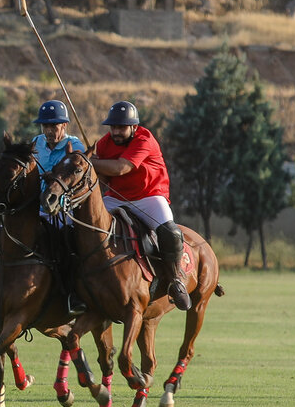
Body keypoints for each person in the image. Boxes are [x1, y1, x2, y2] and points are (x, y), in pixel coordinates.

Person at [90, 100, 191, 311]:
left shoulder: (145, 139)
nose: (116, 131)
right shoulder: (103, 144)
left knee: (170, 232)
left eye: (122, 127)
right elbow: (106, 180)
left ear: (134, 127)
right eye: (113, 127)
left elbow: (121, 168)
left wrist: (89, 162)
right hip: (117, 197)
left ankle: (174, 280)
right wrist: (95, 169)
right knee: (89, 226)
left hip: (149, 197)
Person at [30, 99, 86, 314]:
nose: (49, 131)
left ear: (64, 126)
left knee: (69, 246)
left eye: (54, 126)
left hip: (64, 207)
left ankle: (74, 293)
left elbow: (79, 176)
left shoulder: (76, 146)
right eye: (45, 126)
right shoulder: (36, 143)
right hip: (37, 205)